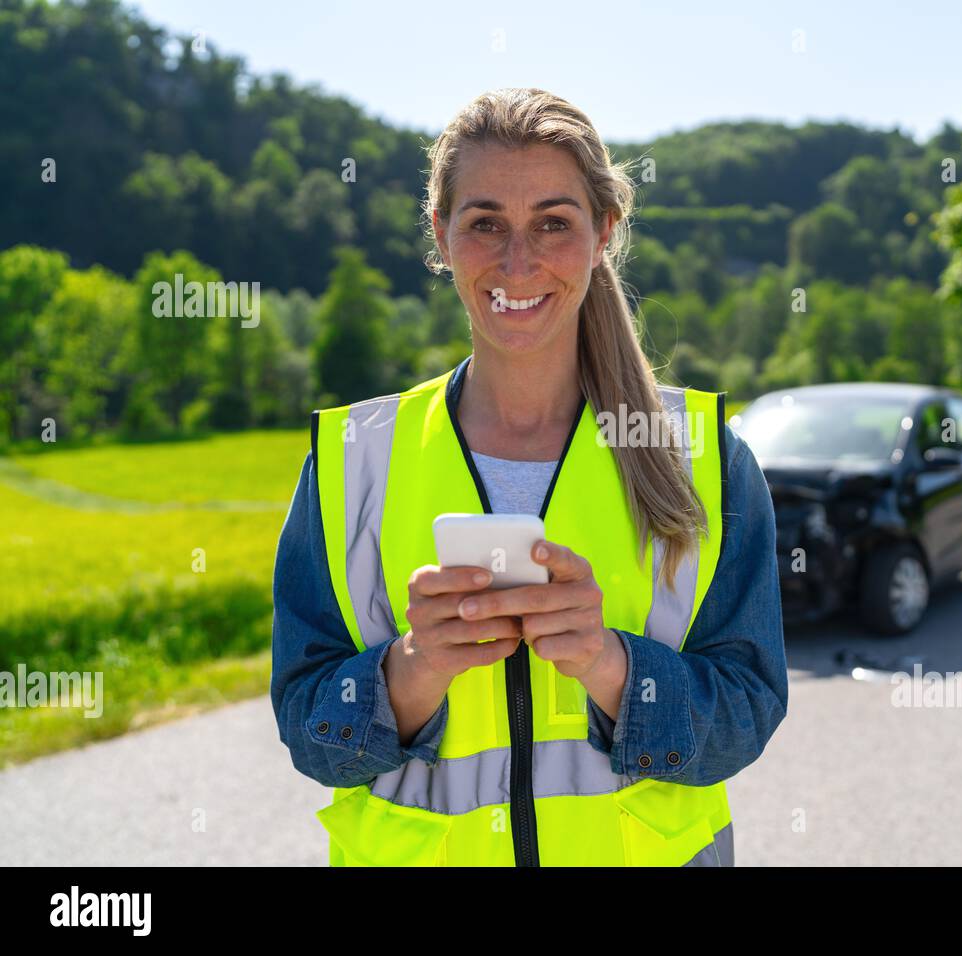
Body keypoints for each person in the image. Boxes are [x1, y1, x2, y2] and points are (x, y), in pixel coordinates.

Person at [269, 88, 788, 867]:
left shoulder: (704, 457)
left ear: (602, 234)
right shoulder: (353, 460)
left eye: (553, 222)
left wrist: (609, 664)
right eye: (484, 224)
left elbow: (746, 713)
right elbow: (311, 731)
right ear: (441, 236)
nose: (519, 260)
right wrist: (413, 669)